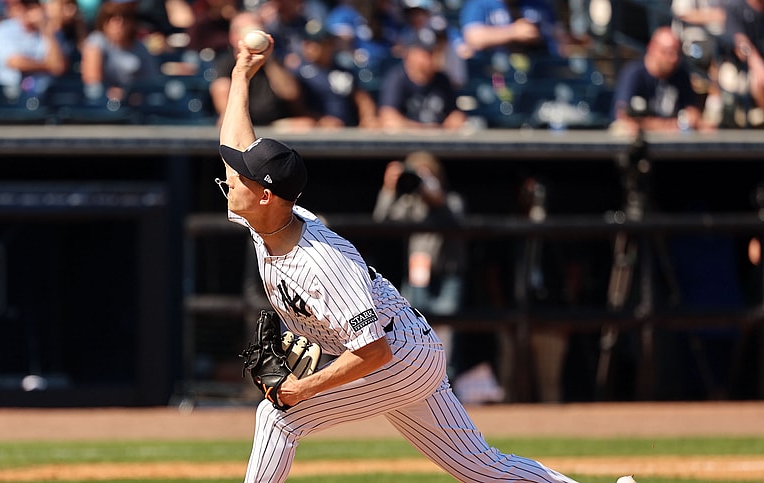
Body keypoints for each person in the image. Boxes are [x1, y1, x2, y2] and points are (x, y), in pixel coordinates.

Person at [215, 29, 584, 483]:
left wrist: (303, 388)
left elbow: (373, 352)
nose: (229, 180)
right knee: (480, 467)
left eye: (241, 178)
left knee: (278, 418)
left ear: (266, 196)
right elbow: (235, 147)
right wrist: (241, 75)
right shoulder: (265, 218)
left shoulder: (322, 263)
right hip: (409, 348)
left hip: (397, 357)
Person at [372, 150, 465, 315]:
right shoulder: (411, 203)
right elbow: (381, 221)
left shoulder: (452, 200)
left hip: (447, 273)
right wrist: (388, 189)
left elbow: (453, 216)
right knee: (413, 320)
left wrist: (434, 194)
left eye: (427, 175)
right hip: (418, 271)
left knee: (446, 322)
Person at [210, 10, 313, 127]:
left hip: (273, 124)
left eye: (257, 29)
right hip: (243, 123)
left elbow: (290, 94)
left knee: (306, 124)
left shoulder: (273, 61)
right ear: (234, 36)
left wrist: (268, 60)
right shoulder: (226, 63)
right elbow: (222, 96)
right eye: (247, 30)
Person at [610, 26, 711, 134]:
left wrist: (654, 124)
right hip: (642, 138)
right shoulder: (634, 73)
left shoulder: (681, 74)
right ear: (652, 48)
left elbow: (692, 114)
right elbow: (623, 116)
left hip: (674, 139)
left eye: (677, 53)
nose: (674, 58)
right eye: (668, 52)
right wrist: (669, 126)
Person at [292, 22, 379, 128]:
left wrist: (368, 117)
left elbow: (361, 97)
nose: (311, 48)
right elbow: (296, 106)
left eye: (319, 43)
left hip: (347, 128)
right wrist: (319, 119)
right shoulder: (300, 73)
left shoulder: (342, 70)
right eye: (308, 43)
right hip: (316, 129)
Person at [377, 27, 466, 129]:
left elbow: (455, 114)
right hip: (407, 137)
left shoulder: (442, 79)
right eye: (426, 54)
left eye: (435, 52)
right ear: (411, 54)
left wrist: (455, 119)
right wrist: (425, 129)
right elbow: (389, 117)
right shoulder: (397, 78)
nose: (432, 58)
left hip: (438, 136)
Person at [80, 0, 161, 101]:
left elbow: (152, 80)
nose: (119, 23)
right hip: (101, 102)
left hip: (135, 102)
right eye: (112, 18)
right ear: (104, 22)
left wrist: (132, 94)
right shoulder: (96, 42)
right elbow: (92, 81)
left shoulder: (140, 47)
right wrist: (111, 93)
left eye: (124, 18)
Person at [0, 0, 68, 97]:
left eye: (31, 7)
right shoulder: (3, 29)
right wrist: (49, 66)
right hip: (11, 93)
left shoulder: (52, 31)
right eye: (24, 6)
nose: (26, 11)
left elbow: (59, 66)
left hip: (48, 92)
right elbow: (15, 62)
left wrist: (46, 30)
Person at [459, 0, 571, 60]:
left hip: (539, 68)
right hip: (497, 73)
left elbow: (558, 36)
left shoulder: (537, 4)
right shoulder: (479, 4)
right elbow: (473, 37)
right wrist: (514, 32)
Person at [722, 0, 764, 116]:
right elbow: (741, 43)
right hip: (744, 66)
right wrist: (757, 66)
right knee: (758, 82)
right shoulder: (736, 7)